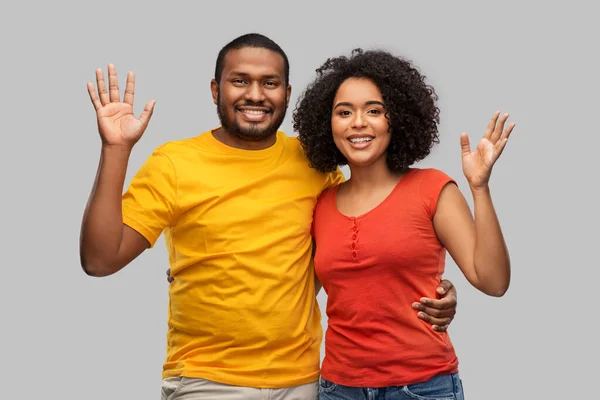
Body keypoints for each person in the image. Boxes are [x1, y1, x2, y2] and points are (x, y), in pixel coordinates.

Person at [80, 34, 458, 400]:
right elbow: (100, 259)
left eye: (270, 83)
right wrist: (116, 149)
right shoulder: (174, 164)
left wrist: (432, 292)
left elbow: (362, 250)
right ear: (216, 90)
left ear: (287, 95)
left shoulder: (315, 164)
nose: (255, 95)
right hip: (207, 380)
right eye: (239, 81)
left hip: (306, 382)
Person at [294, 48, 514, 400]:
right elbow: (293, 292)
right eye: (344, 112)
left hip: (422, 387)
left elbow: (493, 281)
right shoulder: (320, 204)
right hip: (338, 389)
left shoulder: (431, 189)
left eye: (374, 111)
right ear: (327, 123)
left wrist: (479, 188)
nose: (358, 122)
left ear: (396, 119)